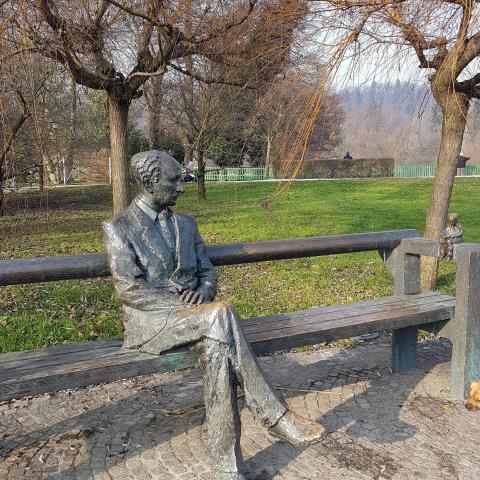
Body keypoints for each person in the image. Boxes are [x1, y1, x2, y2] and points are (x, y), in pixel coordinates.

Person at [103, 150, 325, 480]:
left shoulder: (186, 224)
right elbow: (129, 290)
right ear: (150, 182)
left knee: (218, 349)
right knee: (222, 314)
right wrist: (186, 306)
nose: (181, 186)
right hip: (153, 322)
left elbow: (207, 271)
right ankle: (275, 416)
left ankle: (229, 471)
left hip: (201, 321)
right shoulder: (119, 228)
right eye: (174, 180)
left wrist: (204, 293)